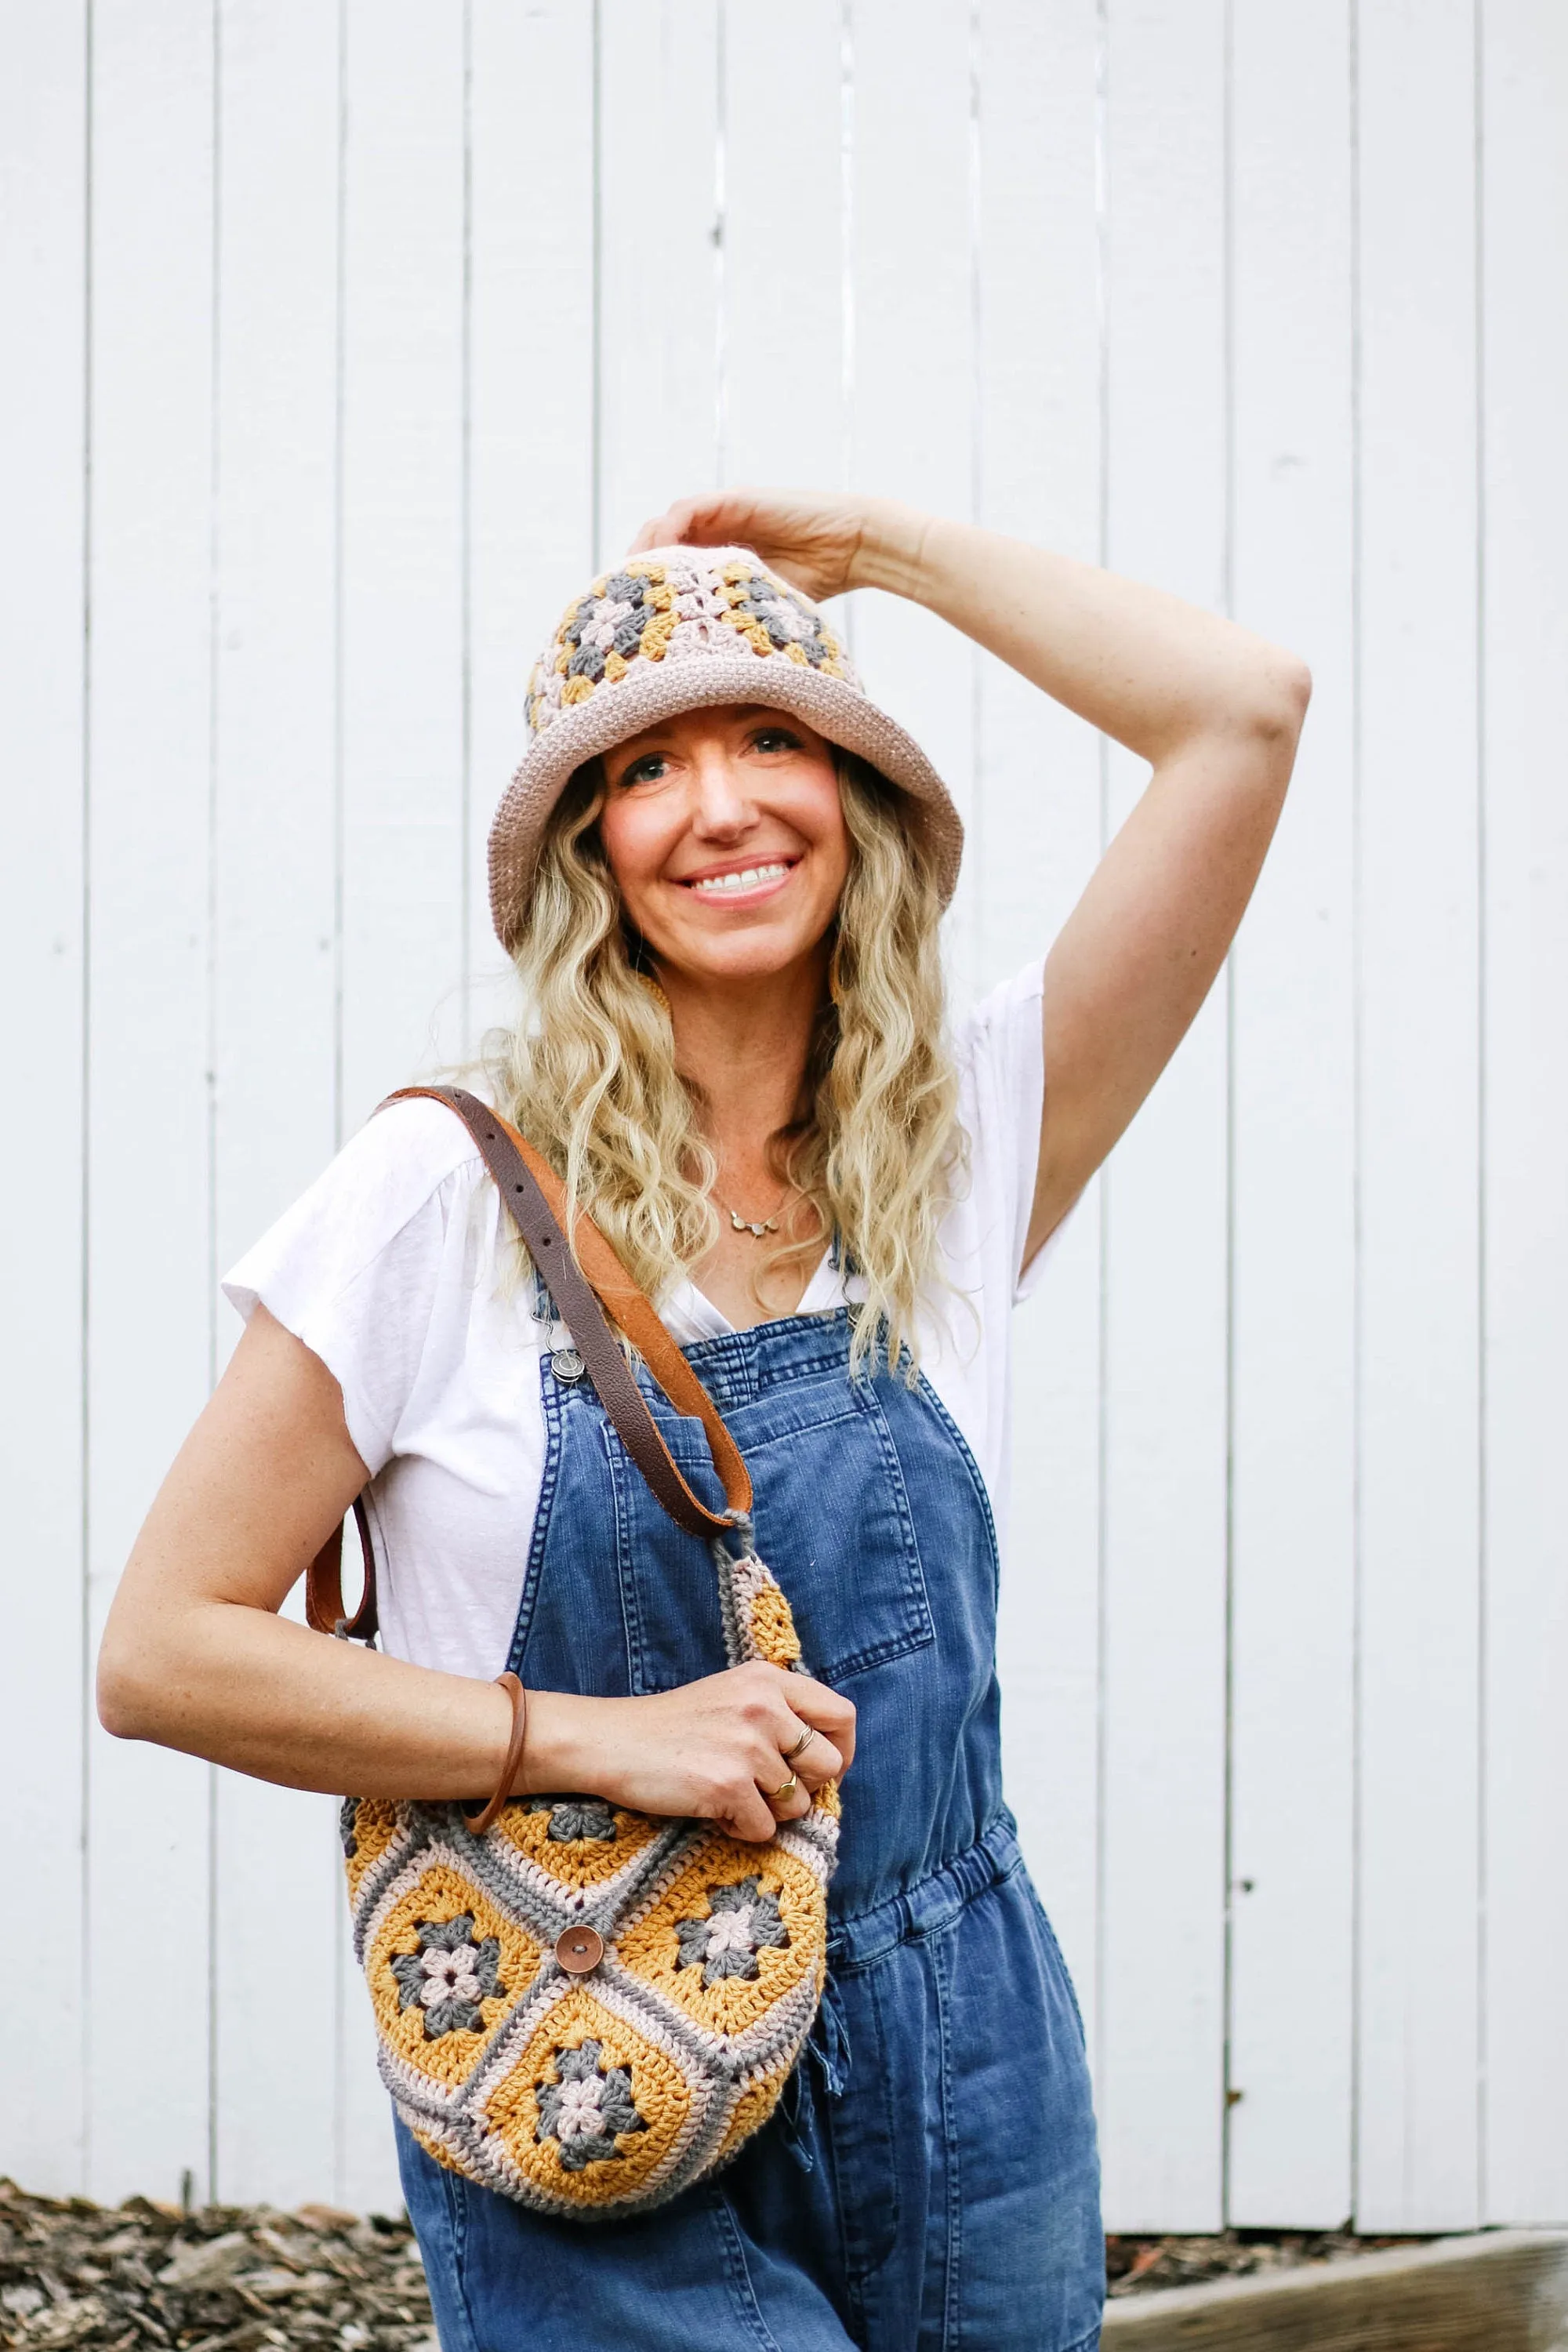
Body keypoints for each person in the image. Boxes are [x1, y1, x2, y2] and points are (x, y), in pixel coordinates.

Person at [98, 488, 1308, 2352]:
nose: (722, 803)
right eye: (647, 768)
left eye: (774, 737)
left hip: (962, 2070)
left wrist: (870, 554)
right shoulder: (440, 1196)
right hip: (583, 2057)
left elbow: (1241, 708)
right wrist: (605, 1737)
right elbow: (164, 1651)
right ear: (589, 855)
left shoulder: (956, 1151)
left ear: (860, 803)